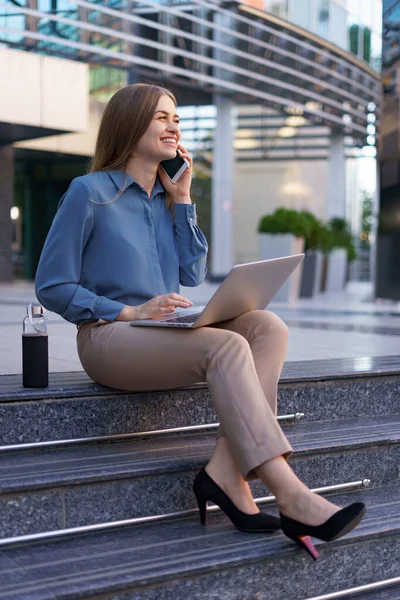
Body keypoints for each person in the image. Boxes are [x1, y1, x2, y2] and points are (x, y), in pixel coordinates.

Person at [35, 83, 365, 559]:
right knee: (228, 347)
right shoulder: (88, 193)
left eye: (177, 119)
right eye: (161, 117)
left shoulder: (168, 198)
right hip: (108, 338)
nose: (174, 126)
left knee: (266, 327)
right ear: (129, 125)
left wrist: (183, 199)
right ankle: (291, 494)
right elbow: (53, 285)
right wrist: (128, 311)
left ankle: (226, 473)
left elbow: (191, 273)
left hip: (162, 333)